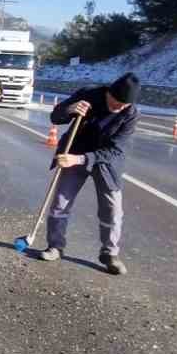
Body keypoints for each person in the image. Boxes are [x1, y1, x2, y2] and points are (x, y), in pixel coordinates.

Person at [40, 73, 140, 275]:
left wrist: (81, 159)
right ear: (108, 93)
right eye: (115, 102)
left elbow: (115, 151)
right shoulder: (89, 94)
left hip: (105, 162)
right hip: (75, 149)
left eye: (123, 106)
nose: (117, 108)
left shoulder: (130, 113)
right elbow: (56, 116)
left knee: (112, 210)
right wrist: (70, 109)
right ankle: (55, 246)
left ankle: (110, 253)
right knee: (60, 203)